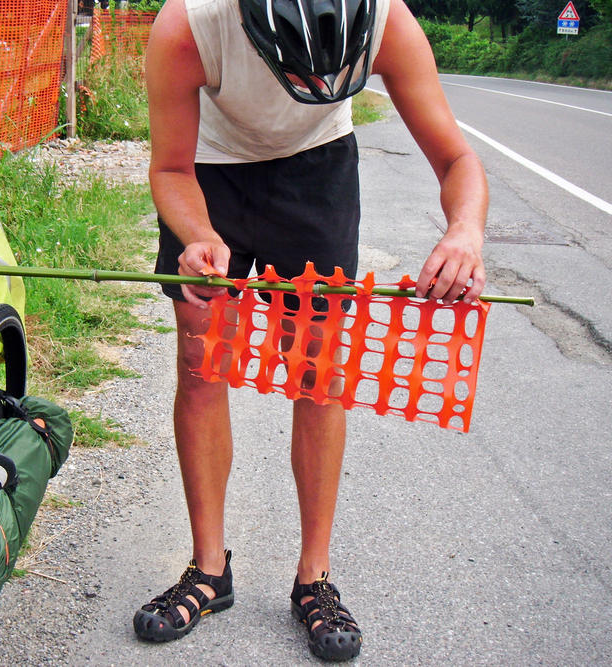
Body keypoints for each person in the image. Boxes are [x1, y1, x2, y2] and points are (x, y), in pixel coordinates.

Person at [132, 0, 488, 660]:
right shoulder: (189, 25)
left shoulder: (387, 21)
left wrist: (465, 231)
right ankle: (209, 567)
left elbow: (456, 160)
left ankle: (313, 577)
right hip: (207, 171)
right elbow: (169, 167)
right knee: (202, 362)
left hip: (317, 167)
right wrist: (201, 238)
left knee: (319, 373)